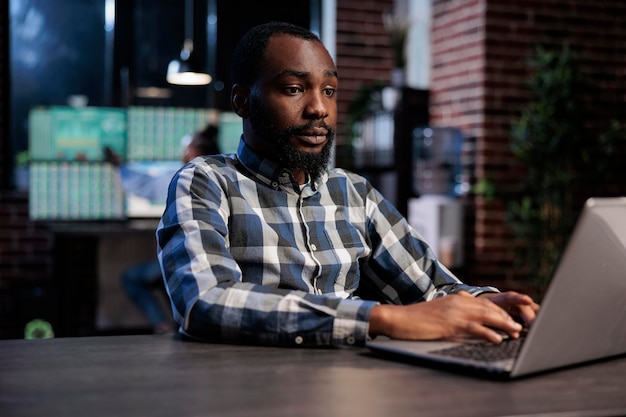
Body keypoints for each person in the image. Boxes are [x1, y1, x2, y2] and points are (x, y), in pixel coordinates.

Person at [156, 21, 539, 347]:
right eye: (293, 89)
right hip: (251, 392)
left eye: (329, 91)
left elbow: (433, 289)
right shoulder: (206, 181)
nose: (319, 108)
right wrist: (381, 319)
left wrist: (489, 303)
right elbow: (205, 302)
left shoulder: (354, 193)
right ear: (242, 101)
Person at [120, 124, 220, 334]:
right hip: (210, 259)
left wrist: (118, 166)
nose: (183, 152)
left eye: (187, 146)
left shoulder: (187, 174)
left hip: (191, 258)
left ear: (196, 150)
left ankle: (163, 327)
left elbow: (144, 184)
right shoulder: (222, 174)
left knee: (132, 277)